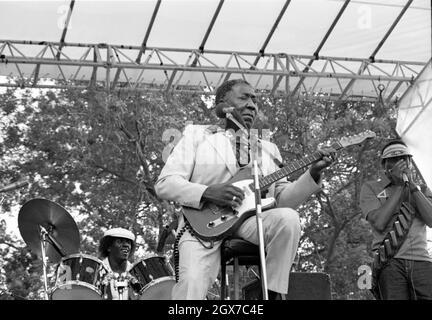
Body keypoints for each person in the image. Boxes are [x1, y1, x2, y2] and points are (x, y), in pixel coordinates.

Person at [155, 79, 336, 300]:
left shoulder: (267, 148)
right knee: (190, 287)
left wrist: (314, 174)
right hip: (202, 226)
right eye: (244, 97)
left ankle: (269, 294)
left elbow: (283, 200)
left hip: (251, 222)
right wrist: (207, 192)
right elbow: (165, 183)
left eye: (255, 100)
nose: (252, 105)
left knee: (288, 219)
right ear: (223, 104)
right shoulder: (196, 136)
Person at [360, 139, 432, 300]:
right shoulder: (371, 188)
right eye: (393, 159)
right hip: (390, 261)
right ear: (384, 166)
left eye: (404, 158)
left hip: (422, 261)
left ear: (410, 162)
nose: (400, 163)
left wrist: (412, 187)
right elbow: (379, 222)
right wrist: (400, 187)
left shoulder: (423, 189)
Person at [98, 227, 139, 300]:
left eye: (128, 242)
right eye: (120, 241)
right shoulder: (98, 272)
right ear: (108, 247)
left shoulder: (136, 274)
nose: (126, 245)